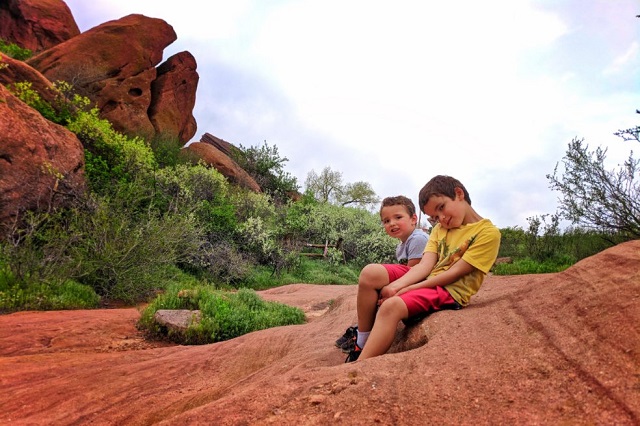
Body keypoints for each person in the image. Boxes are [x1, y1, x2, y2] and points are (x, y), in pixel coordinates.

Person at [345, 175, 501, 362]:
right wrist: (396, 286)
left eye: (441, 207)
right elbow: (425, 265)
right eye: (434, 217)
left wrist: (409, 288)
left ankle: (359, 366)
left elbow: (455, 273)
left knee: (391, 306)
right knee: (372, 275)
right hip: (429, 280)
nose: (441, 218)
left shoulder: (487, 233)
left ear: (459, 194)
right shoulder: (440, 229)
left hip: (449, 291)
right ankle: (361, 343)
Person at [335, 195, 428, 352]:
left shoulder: (418, 239)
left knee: (372, 276)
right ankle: (363, 330)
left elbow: (415, 274)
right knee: (374, 288)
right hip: (409, 282)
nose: (392, 223)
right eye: (386, 221)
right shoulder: (401, 246)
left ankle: (362, 340)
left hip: (419, 285)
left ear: (413, 219)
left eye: (398, 217)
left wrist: (390, 289)